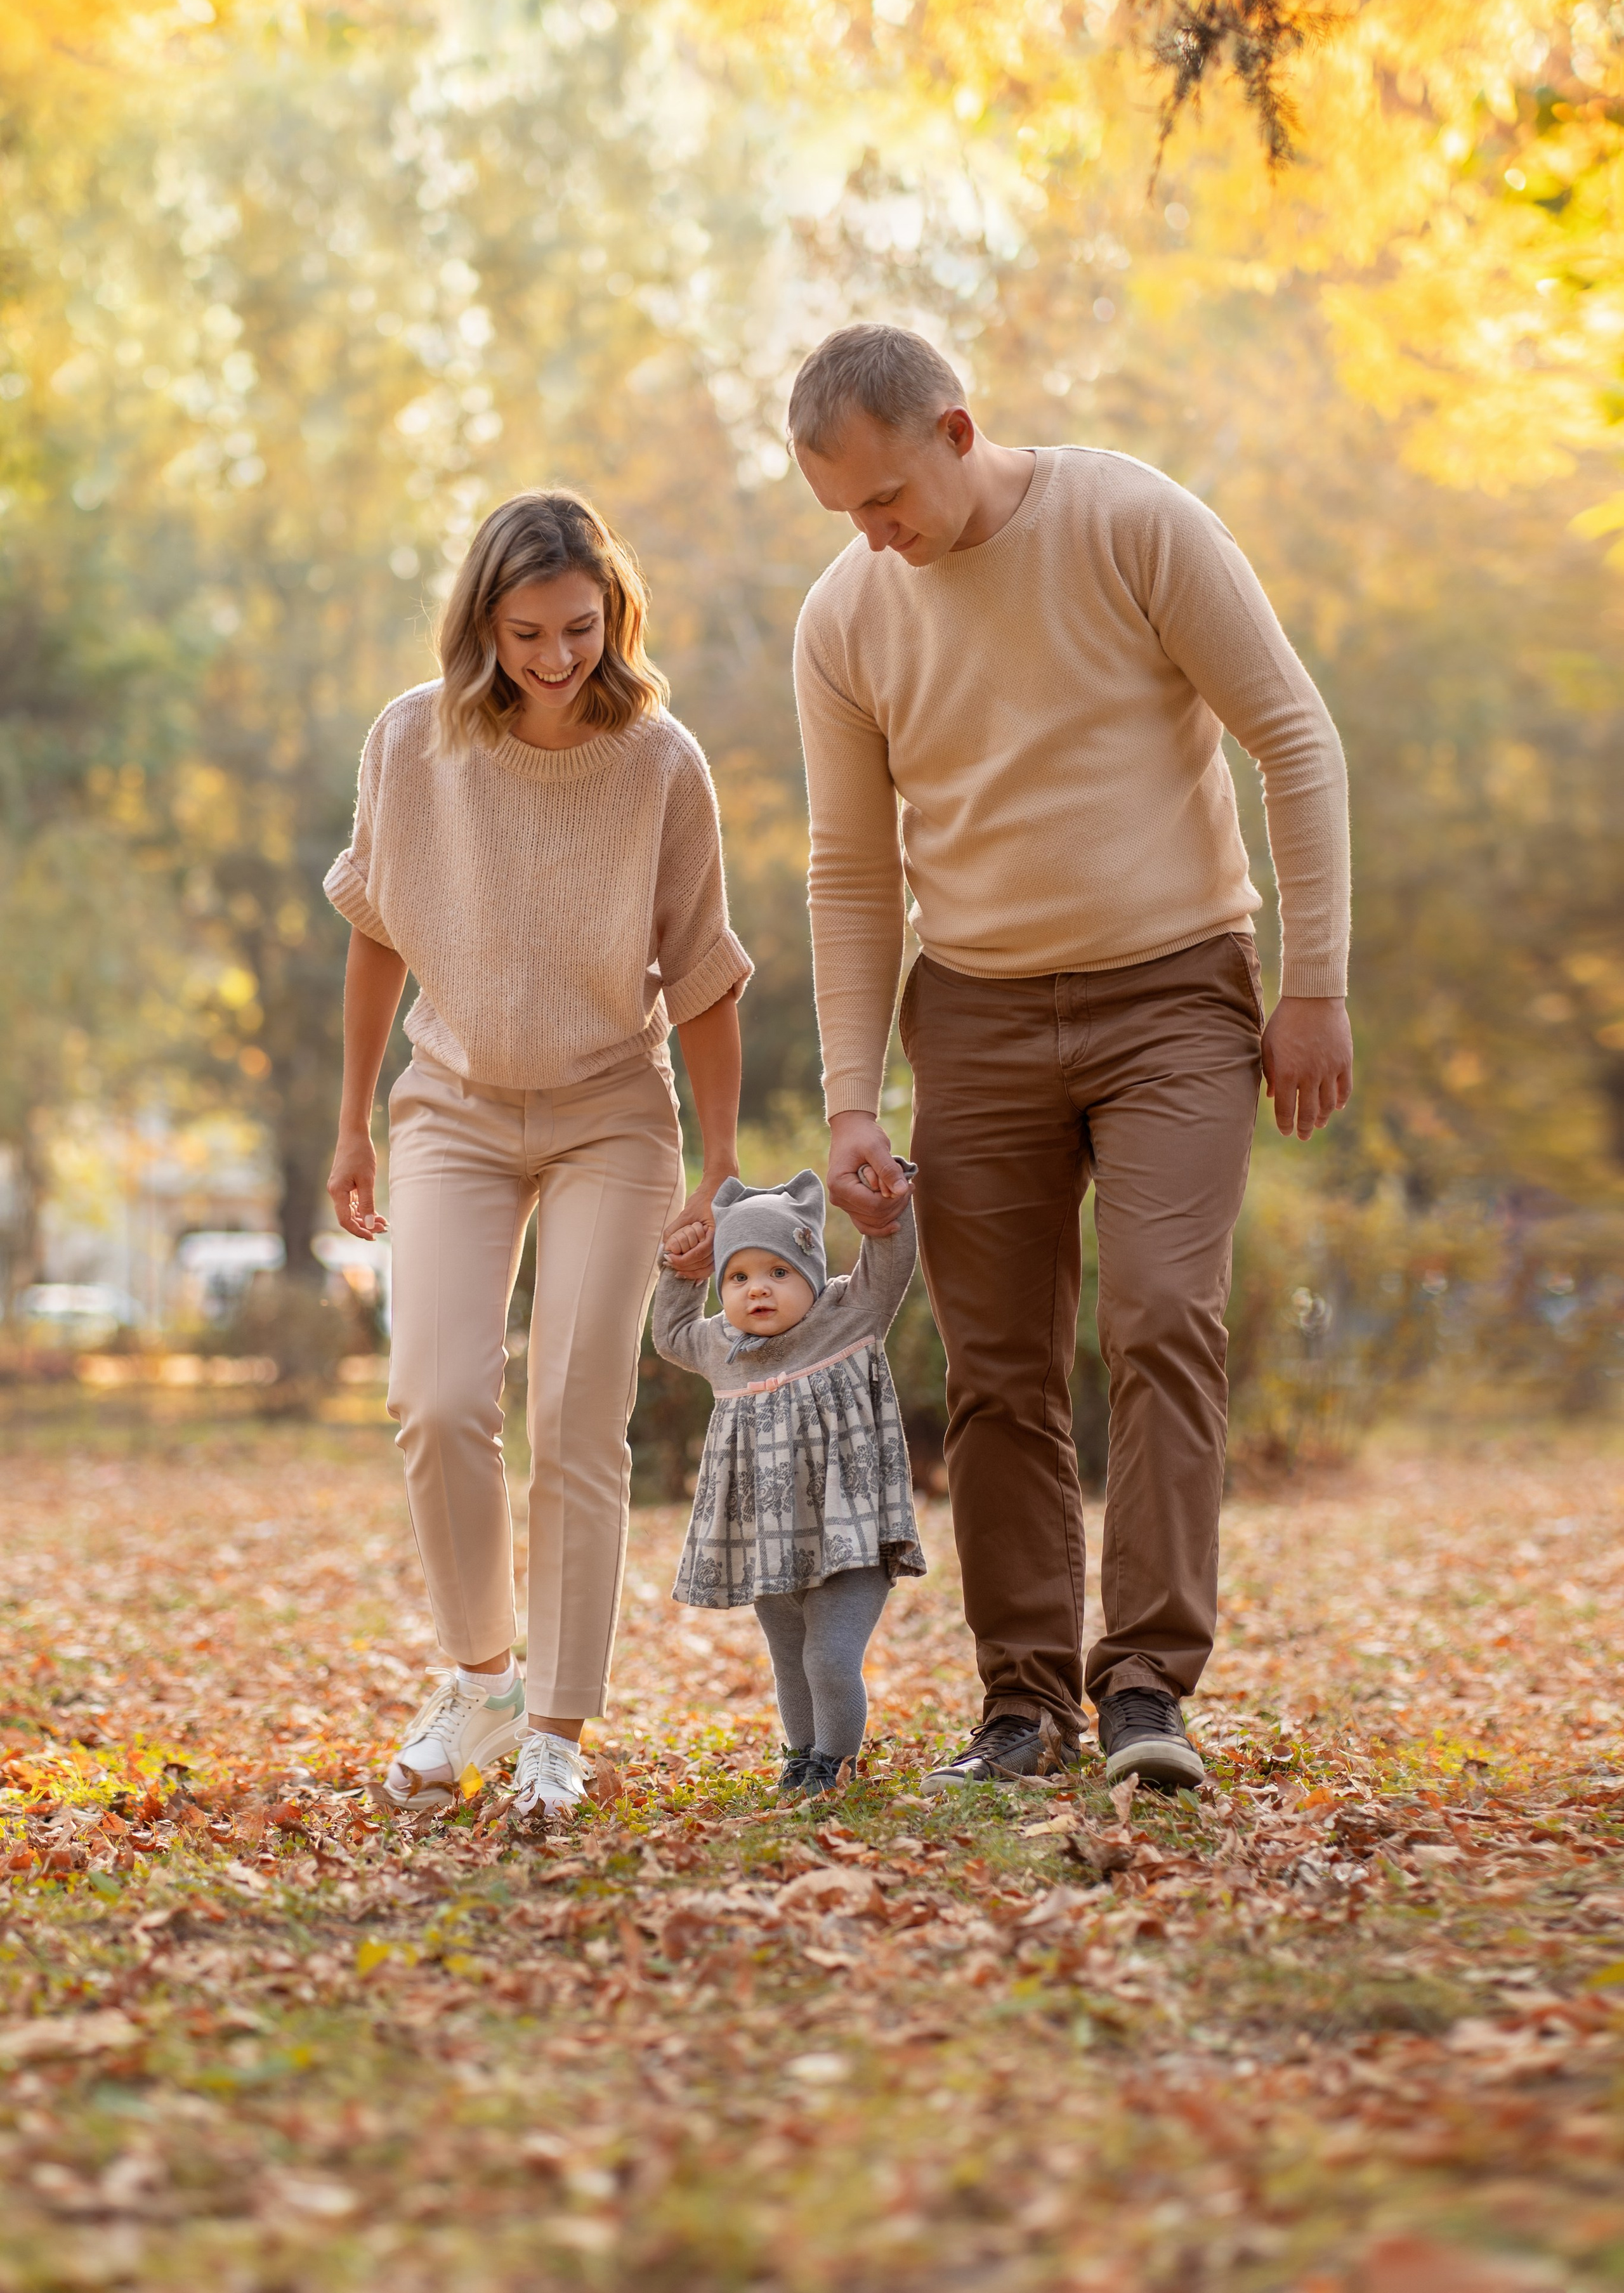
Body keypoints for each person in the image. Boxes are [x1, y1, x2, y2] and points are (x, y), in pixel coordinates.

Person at [786, 323, 1353, 1794]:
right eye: (843, 513)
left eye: (884, 498)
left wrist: (1312, 989)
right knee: (995, 1370)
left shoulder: (1130, 522)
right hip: (972, 1009)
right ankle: (1020, 1703)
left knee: (1163, 1313)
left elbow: (1291, 738)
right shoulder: (846, 616)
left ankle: (1148, 1689)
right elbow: (850, 868)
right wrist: (852, 1092)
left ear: (956, 433)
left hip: (1174, 993)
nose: (874, 536)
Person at [323, 489, 750, 1822]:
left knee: (575, 1412)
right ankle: (482, 1679)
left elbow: (705, 978)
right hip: (449, 1107)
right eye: (525, 634)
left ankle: (557, 1726)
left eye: (578, 628)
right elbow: (378, 930)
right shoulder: (412, 741)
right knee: (439, 1399)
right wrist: (350, 1119)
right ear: (481, 626)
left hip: (610, 1113)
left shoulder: (661, 762)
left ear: (613, 616)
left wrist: (717, 1162)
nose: (556, 658)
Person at [653, 1167, 924, 1796]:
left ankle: (833, 1763)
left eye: (778, 1273)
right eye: (739, 1277)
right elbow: (667, 1335)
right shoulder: (721, 1345)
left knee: (829, 1659)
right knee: (791, 1663)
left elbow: (890, 1259)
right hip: (766, 1542)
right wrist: (681, 1270)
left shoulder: (848, 1316)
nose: (759, 1291)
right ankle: (803, 1757)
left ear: (808, 1273)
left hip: (848, 1536)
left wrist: (887, 1204)